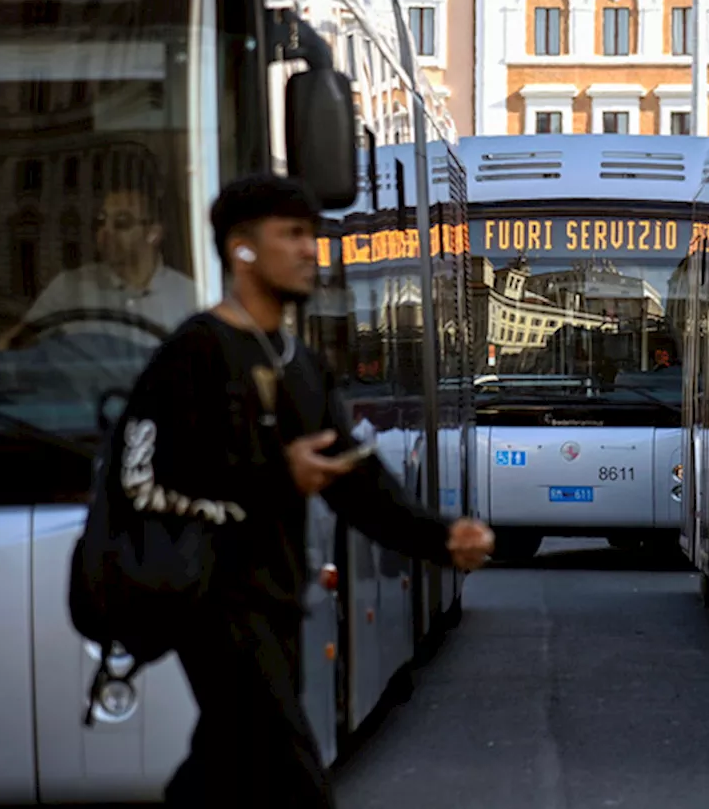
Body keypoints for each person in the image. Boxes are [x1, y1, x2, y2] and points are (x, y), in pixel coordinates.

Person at [102, 172, 494, 807]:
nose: (312, 250)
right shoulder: (194, 353)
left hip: (277, 598)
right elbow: (139, 483)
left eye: (312, 235)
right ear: (242, 249)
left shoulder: (298, 362)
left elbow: (355, 479)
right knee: (293, 777)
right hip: (212, 602)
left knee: (221, 770)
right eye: (292, 235)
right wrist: (273, 479)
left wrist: (441, 536)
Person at [0, 180, 196, 350]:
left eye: (121, 222)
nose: (105, 232)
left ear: (154, 234)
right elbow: (12, 345)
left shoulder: (189, 297)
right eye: (101, 221)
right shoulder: (69, 287)